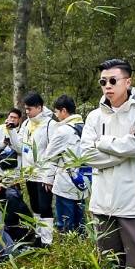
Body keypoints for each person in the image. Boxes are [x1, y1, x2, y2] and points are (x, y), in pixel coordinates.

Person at [79, 58, 135, 269]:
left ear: (128, 82)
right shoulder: (94, 116)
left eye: (113, 80)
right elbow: (85, 154)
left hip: (133, 204)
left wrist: (101, 142)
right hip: (102, 204)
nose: (108, 86)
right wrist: (123, 151)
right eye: (103, 82)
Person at [9, 92, 55, 246]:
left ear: (39, 107)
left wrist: (50, 177)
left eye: (29, 109)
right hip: (30, 173)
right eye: (25, 109)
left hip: (44, 174)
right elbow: (20, 148)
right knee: (35, 206)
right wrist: (12, 132)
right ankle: (38, 236)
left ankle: (47, 241)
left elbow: (54, 153)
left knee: (45, 207)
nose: (27, 112)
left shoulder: (50, 125)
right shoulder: (27, 124)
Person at [45, 95, 87, 234]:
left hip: (66, 183)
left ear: (64, 111)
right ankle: (81, 249)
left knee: (65, 223)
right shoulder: (85, 127)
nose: (56, 116)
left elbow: (49, 154)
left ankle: (66, 250)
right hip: (83, 182)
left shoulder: (63, 130)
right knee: (80, 222)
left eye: (56, 112)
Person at [0, 108, 23, 174]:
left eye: (15, 118)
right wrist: (3, 143)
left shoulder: (22, 131)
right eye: (11, 117)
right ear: (8, 117)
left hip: (15, 168)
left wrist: (12, 140)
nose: (12, 119)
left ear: (19, 119)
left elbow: (21, 150)